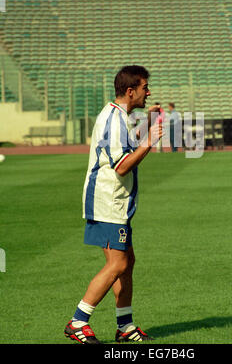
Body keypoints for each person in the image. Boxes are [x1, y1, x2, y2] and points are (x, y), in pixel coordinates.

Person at [64, 65, 163, 344]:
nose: (149, 91)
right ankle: (78, 321)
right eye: (145, 87)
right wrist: (149, 142)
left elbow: (123, 146)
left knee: (126, 262)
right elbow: (121, 166)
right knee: (118, 264)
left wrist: (146, 123)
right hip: (107, 203)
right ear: (131, 91)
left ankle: (125, 326)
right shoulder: (114, 119)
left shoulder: (120, 116)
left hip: (116, 204)